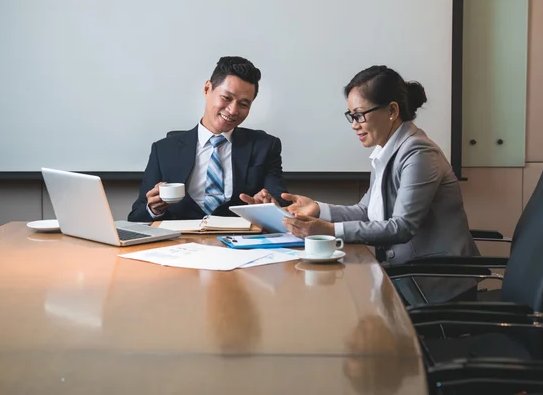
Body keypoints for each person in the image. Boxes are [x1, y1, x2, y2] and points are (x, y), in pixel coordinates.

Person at [279, 65, 479, 303]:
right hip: (407, 278)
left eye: (359, 115)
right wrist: (319, 210)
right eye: (351, 116)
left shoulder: (418, 152)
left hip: (436, 286)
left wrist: (329, 231)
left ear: (392, 110)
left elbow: (402, 226)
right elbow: (366, 212)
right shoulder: (387, 150)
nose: (354, 124)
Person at [128, 56, 288, 222]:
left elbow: (280, 200)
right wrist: (153, 209)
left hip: (239, 242)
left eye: (243, 104)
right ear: (207, 89)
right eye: (226, 98)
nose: (233, 110)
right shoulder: (164, 150)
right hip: (179, 243)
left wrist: (269, 205)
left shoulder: (265, 146)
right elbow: (136, 216)